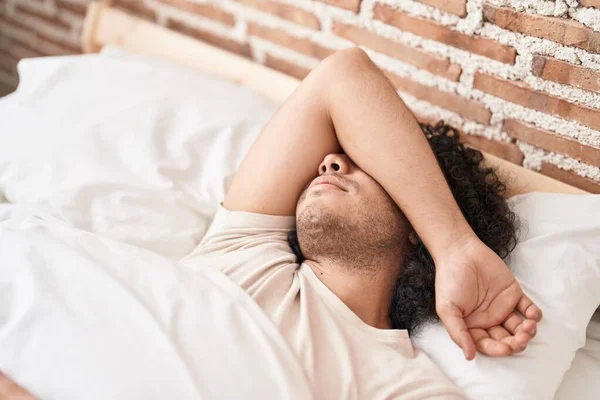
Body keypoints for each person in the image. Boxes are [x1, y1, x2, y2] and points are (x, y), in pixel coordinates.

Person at [0, 48, 542, 399]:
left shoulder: (400, 384)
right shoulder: (246, 248)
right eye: (332, 156)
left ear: (413, 219)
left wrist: (448, 244)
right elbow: (341, 77)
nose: (328, 162)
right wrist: (453, 246)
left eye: (360, 163)